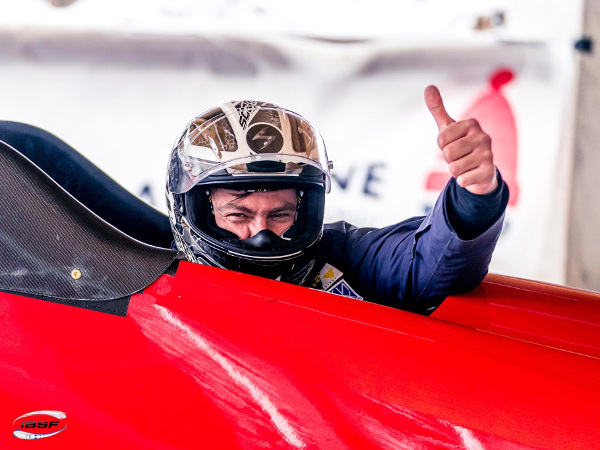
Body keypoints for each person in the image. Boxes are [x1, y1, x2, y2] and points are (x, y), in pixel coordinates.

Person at [166, 87, 509, 314]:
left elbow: (424, 263)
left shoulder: (345, 256)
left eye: (280, 215)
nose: (262, 234)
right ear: (193, 210)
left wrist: (473, 196)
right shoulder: (157, 283)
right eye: (239, 216)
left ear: (305, 211)